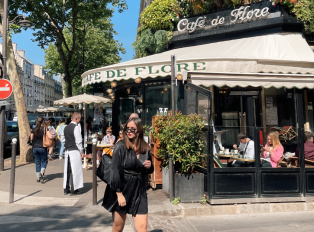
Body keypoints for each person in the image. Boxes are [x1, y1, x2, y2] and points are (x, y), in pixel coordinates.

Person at [102, 117, 154, 232]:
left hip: (139, 191)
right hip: (123, 189)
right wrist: (119, 194)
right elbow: (115, 172)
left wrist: (150, 166)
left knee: (142, 228)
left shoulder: (145, 148)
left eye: (133, 129)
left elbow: (150, 170)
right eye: (127, 129)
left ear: (139, 130)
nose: (129, 131)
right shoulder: (121, 146)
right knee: (118, 228)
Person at [63, 112, 85, 195]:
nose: (80, 120)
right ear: (76, 119)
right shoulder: (76, 127)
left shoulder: (66, 127)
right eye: (79, 118)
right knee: (75, 170)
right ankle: (74, 190)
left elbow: (62, 139)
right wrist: (81, 151)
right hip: (74, 150)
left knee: (67, 170)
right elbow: (78, 141)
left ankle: (66, 189)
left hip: (67, 150)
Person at [30, 117, 50, 183]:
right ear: (43, 121)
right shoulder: (45, 129)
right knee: (44, 161)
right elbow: (50, 136)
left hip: (35, 147)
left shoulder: (34, 128)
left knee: (37, 162)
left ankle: (38, 178)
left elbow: (31, 138)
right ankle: (42, 172)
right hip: (42, 147)